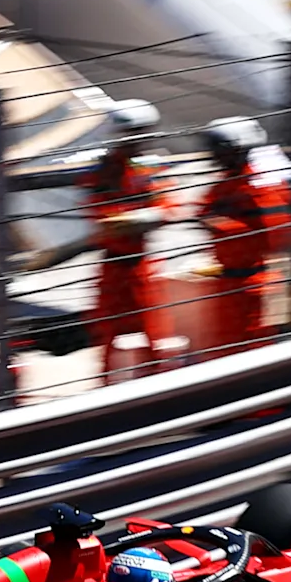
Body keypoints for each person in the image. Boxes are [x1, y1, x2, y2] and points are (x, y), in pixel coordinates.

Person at [83, 100, 170, 376]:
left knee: (153, 327)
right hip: (114, 263)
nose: (138, 140)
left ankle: (158, 380)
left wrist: (142, 217)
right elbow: (101, 215)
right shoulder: (103, 171)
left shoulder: (149, 167)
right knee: (106, 329)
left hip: (142, 263)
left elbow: (168, 205)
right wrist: (139, 218)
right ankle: (106, 381)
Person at [195, 117, 283, 350]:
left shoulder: (259, 187)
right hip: (228, 280)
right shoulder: (223, 187)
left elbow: (274, 233)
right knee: (226, 344)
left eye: (218, 150)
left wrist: (219, 224)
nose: (213, 156)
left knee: (257, 345)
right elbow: (203, 211)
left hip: (255, 281)